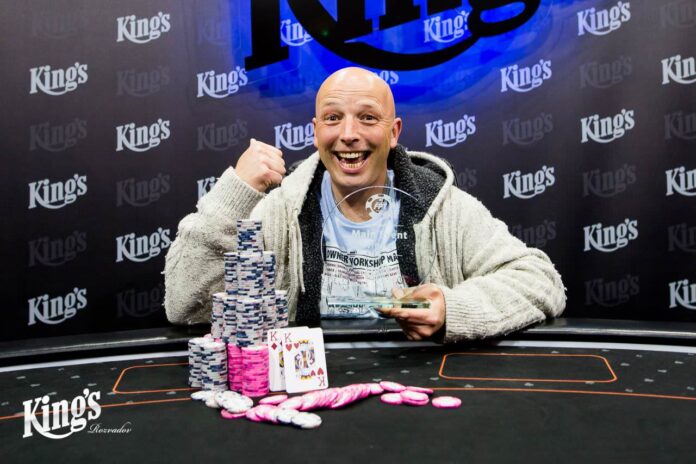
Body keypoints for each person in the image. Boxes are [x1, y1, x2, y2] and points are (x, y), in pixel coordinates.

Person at [164, 67, 566, 342]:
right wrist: (234, 194)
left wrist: (451, 308)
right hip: (310, 394)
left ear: (394, 133)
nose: (349, 134)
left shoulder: (442, 208)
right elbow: (184, 306)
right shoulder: (280, 211)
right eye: (333, 118)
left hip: (423, 386)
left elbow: (540, 281)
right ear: (315, 131)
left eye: (368, 118)